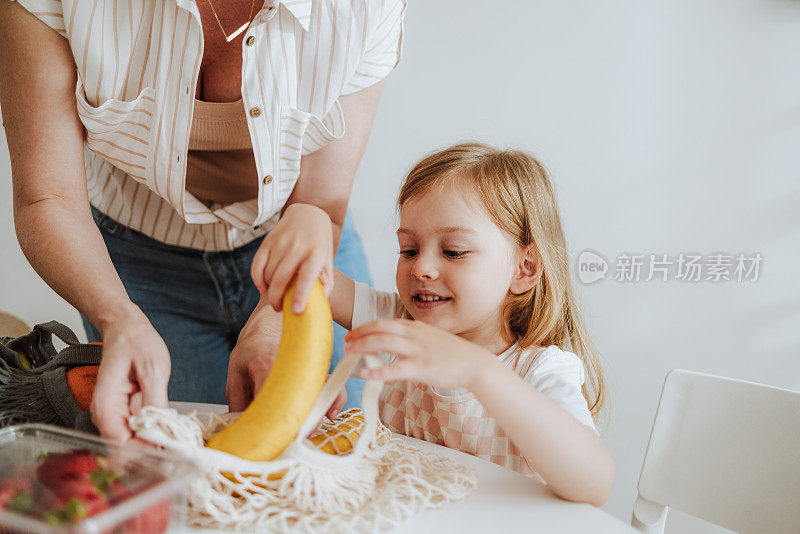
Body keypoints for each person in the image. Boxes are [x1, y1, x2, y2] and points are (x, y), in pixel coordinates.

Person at [0, 0, 405, 440]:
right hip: (127, 267)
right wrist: (118, 317)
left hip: (300, 253)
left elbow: (320, 204)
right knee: (171, 464)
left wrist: (277, 310)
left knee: (354, 443)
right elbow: (48, 196)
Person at [324, 143, 615, 506]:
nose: (421, 268)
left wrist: (478, 372)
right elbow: (313, 282)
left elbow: (595, 484)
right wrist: (302, 225)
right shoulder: (400, 324)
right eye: (409, 249)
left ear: (524, 269)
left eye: (454, 251)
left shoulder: (540, 371)